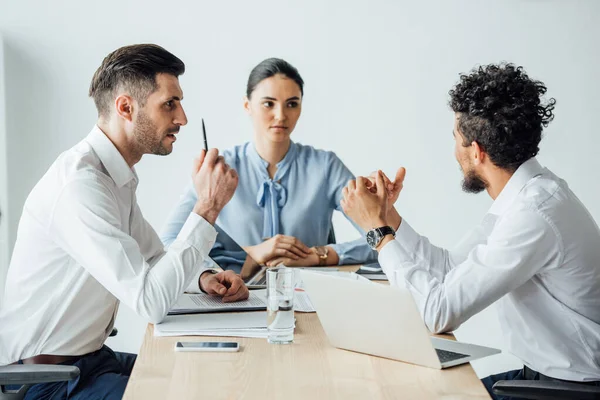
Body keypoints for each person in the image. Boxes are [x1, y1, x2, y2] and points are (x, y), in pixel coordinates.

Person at [0, 44, 249, 399]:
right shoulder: (80, 186)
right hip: (45, 380)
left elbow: (153, 256)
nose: (182, 118)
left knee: (206, 376)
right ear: (126, 107)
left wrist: (205, 278)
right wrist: (207, 206)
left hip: (90, 361)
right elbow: (149, 299)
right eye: (170, 104)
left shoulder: (115, 177)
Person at [340, 63, 600, 397]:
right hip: (542, 378)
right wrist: (388, 217)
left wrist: (377, 231)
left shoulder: (534, 214)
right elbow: (449, 269)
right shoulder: (526, 197)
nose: (454, 151)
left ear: (475, 151)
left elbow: (438, 314)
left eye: (456, 140)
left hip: (570, 390)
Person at [161, 58, 377, 270]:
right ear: (247, 105)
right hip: (232, 296)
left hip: (310, 295)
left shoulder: (325, 166)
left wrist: (318, 255)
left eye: (292, 104)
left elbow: (382, 236)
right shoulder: (219, 170)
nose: (280, 115)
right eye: (268, 104)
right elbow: (169, 243)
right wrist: (253, 254)